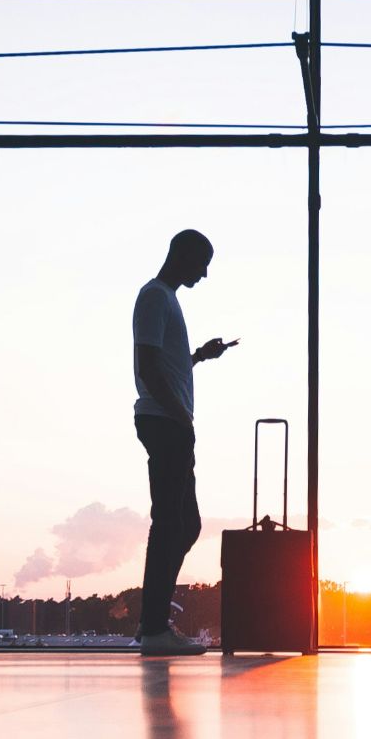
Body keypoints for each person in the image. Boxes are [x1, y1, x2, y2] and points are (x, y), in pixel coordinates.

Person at [132, 229, 232, 655]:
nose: (205, 274)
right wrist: (178, 416)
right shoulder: (155, 297)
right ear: (182, 255)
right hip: (165, 422)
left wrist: (197, 358)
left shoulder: (165, 300)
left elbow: (164, 364)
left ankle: (154, 623)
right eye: (201, 263)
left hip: (170, 421)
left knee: (183, 525)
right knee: (170, 524)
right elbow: (148, 368)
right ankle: (154, 628)